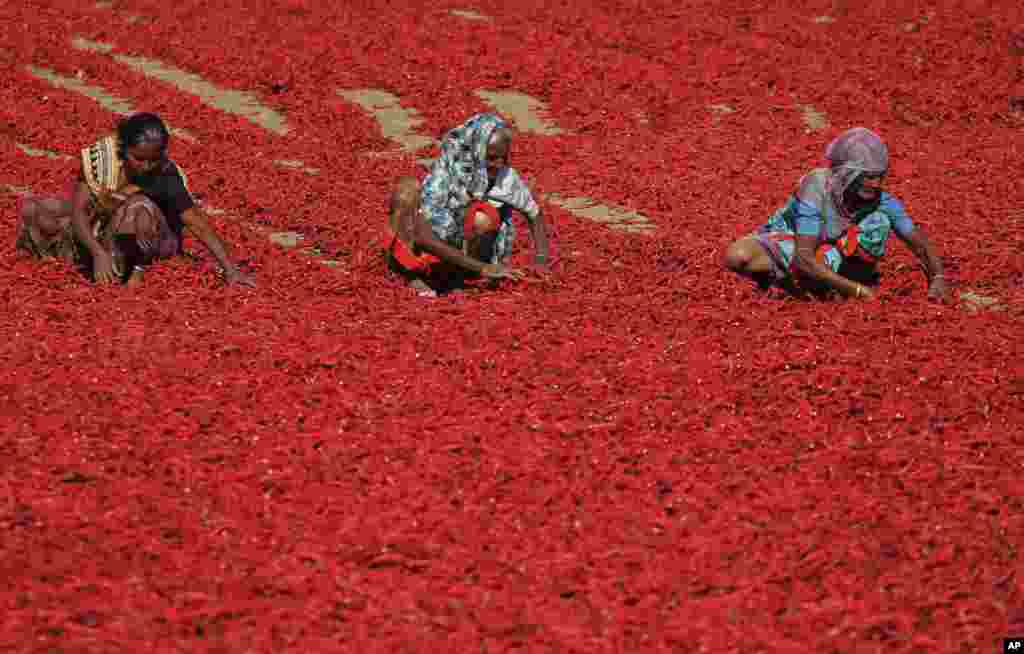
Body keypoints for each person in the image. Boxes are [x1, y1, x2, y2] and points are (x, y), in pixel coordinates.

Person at [16, 112, 254, 287]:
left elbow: (194, 221)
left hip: (154, 241)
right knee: (35, 208)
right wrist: (97, 252)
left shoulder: (165, 174)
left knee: (136, 208)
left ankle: (129, 270)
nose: (146, 166)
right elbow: (79, 211)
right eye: (138, 158)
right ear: (123, 148)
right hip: (104, 229)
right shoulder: (103, 159)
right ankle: (87, 259)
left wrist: (229, 268)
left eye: (153, 159)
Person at [723, 127, 947, 301]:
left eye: (880, 176)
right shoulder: (818, 185)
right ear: (847, 172)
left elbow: (920, 244)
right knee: (738, 255)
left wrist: (937, 278)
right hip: (792, 242)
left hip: (834, 255)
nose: (875, 183)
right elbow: (804, 257)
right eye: (867, 176)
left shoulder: (881, 200)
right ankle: (811, 282)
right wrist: (860, 292)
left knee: (877, 222)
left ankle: (818, 282)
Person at [384, 112, 550, 297]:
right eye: (492, 157)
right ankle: (408, 271)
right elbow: (423, 237)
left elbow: (534, 214)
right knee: (405, 192)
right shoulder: (447, 172)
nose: (498, 164)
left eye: (503, 158)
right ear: (475, 150)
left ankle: (456, 275)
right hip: (433, 242)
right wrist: (484, 268)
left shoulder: (505, 178)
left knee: (483, 216)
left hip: (466, 255)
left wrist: (541, 260)